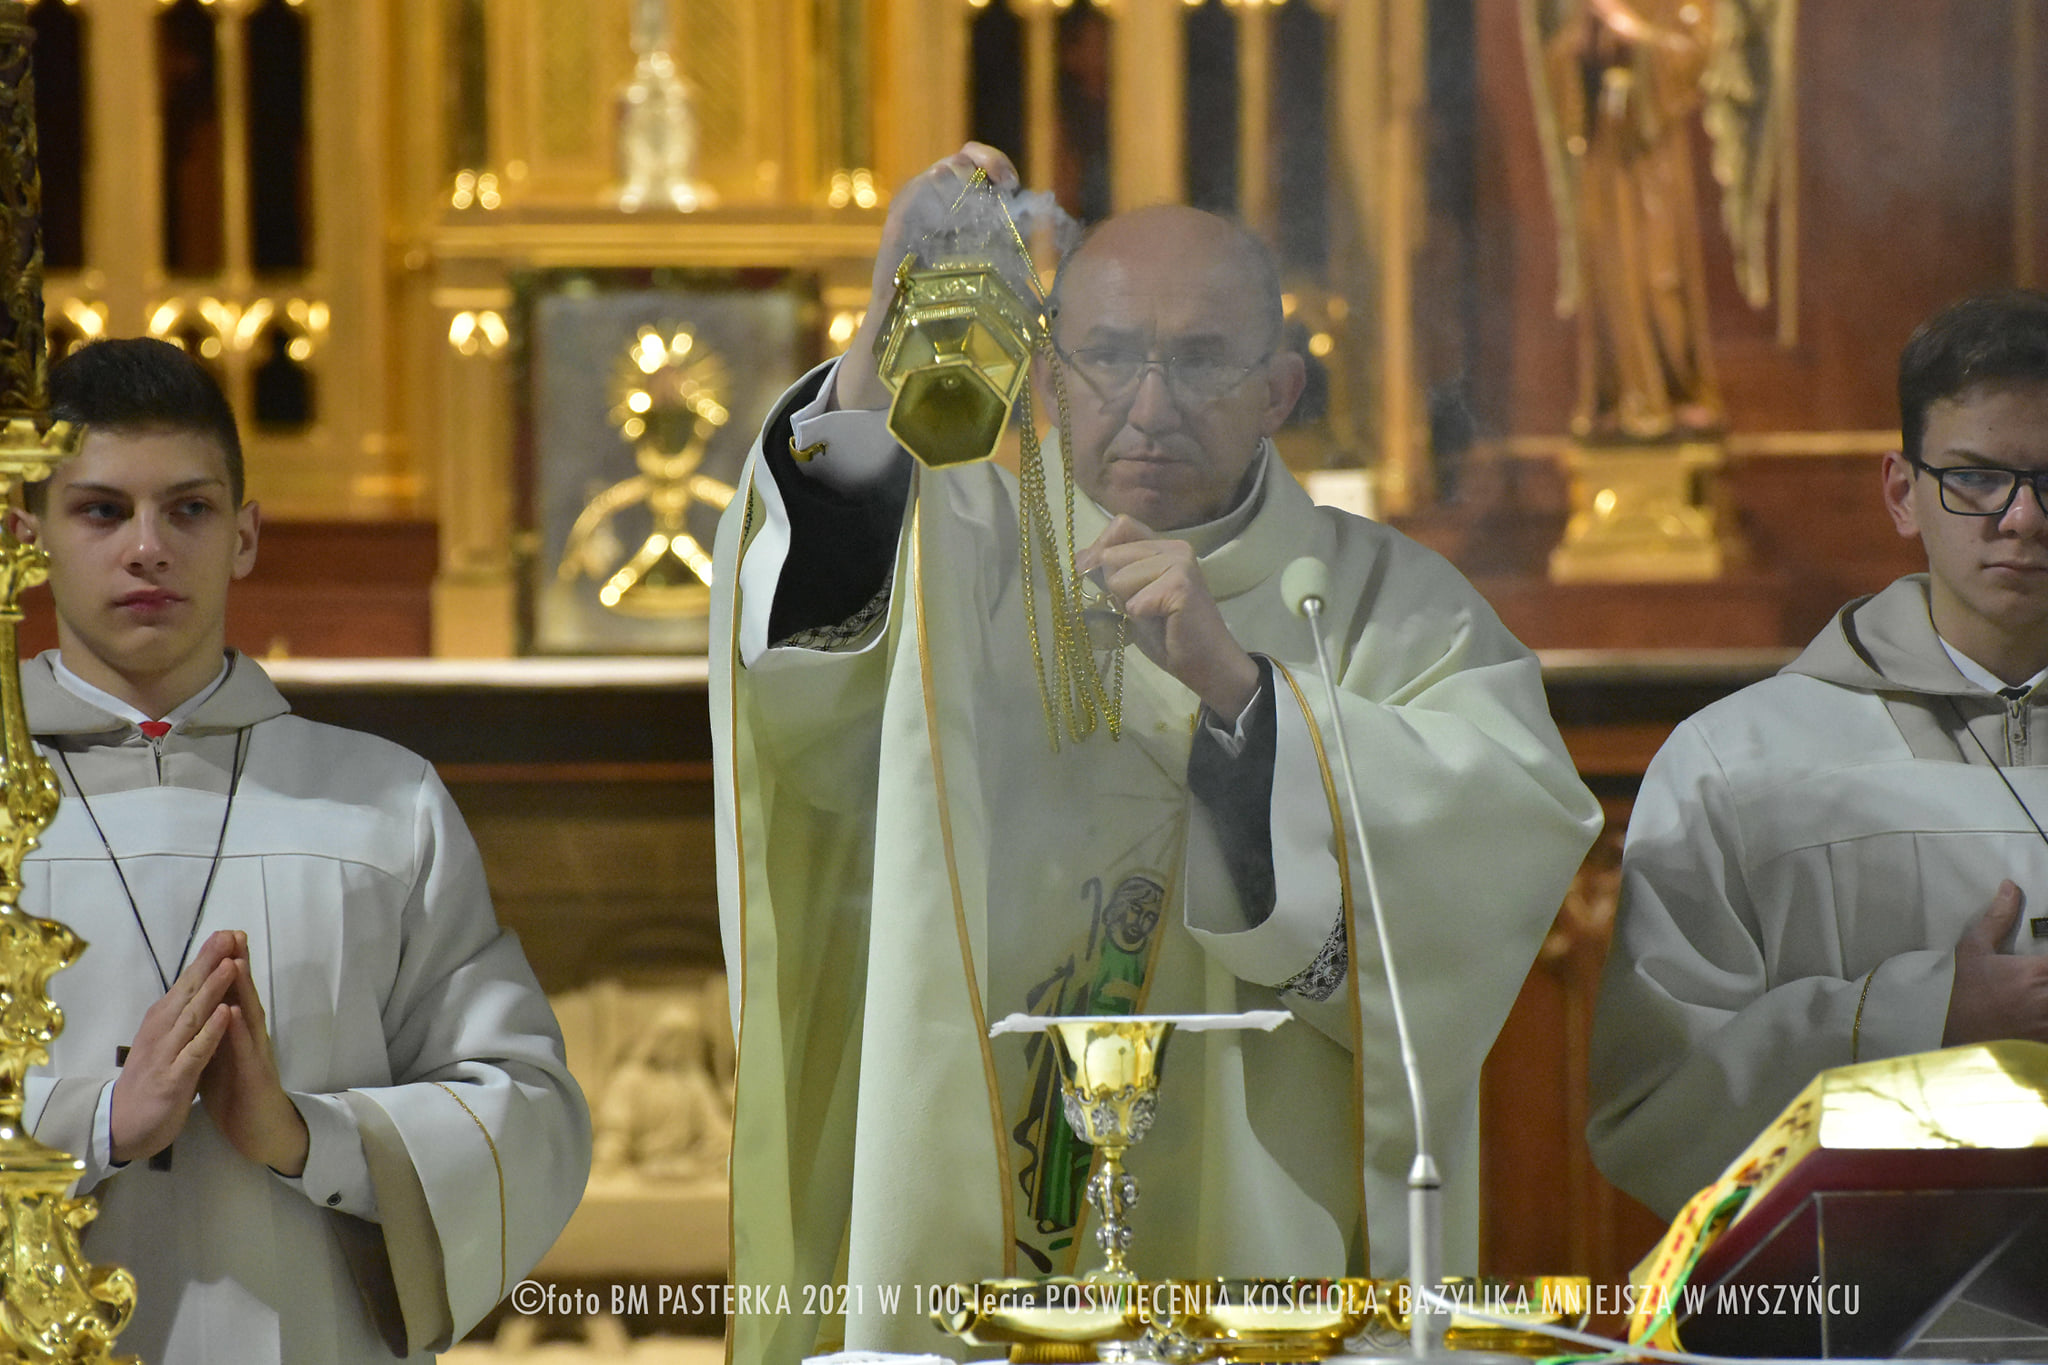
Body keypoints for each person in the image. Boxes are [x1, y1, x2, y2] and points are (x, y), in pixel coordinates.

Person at [711, 144, 1601, 1361]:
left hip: (1268, 1231)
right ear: (1045, 372)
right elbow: (802, 688)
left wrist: (1242, 696)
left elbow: (1497, 853)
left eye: (1198, 362)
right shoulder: (956, 560)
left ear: (1278, 390)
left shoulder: (1384, 608)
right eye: (1109, 356)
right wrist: (880, 332)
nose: (1147, 406)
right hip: (984, 1210)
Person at [15, 337, 591, 1364]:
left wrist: (305, 1137)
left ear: (243, 536)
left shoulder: (383, 803)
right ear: (28, 536)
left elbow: (526, 1112)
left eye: (188, 510)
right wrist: (100, 1125)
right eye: (101, 511)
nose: (147, 548)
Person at [1588, 289, 2048, 1218]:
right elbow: (1657, 1115)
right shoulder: (1736, 763)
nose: (2023, 518)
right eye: (1975, 478)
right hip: (1859, 1295)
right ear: (1901, 493)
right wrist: (1922, 1015)